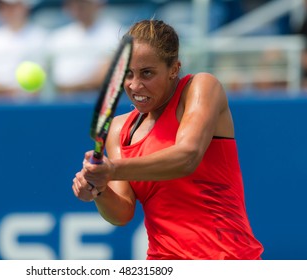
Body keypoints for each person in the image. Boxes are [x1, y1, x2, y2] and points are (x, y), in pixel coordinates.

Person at [72, 20, 264, 260]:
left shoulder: (201, 87)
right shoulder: (119, 129)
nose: (134, 84)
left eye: (147, 73)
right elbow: (121, 213)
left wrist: (112, 170)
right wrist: (98, 190)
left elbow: (187, 157)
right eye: (128, 74)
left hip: (227, 260)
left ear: (174, 68)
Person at [46, 0, 121, 95]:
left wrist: (68, 88)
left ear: (98, 5)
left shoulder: (115, 34)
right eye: (73, 4)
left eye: (83, 4)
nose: (78, 8)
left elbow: (106, 76)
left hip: (95, 99)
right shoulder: (57, 37)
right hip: (61, 101)